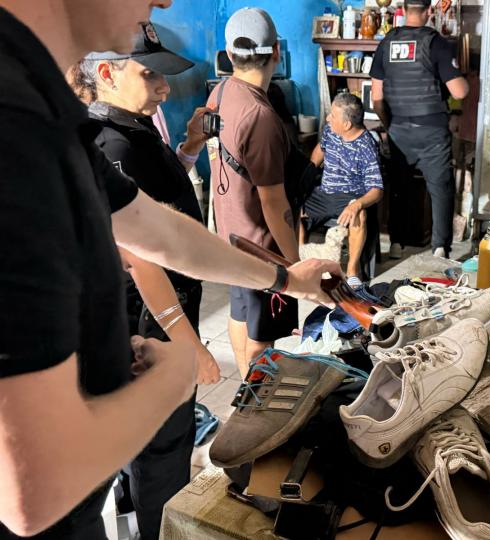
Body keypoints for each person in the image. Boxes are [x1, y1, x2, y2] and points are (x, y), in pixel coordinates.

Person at [0, 1, 339, 538]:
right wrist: (177, 371)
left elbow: (158, 232)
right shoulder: (15, 124)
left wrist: (286, 278)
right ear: (107, 73)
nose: (161, 2)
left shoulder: (49, 112)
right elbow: (32, 490)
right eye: (149, 73)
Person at [72, 24, 221, 539]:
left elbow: (158, 203)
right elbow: (141, 259)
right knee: (163, 453)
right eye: (149, 75)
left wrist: (189, 148)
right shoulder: (111, 142)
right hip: (150, 322)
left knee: (146, 449)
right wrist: (190, 345)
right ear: (107, 74)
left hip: (162, 311)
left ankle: (138, 520)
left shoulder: (133, 127)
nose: (164, 89)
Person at [207, 7, 300, 377]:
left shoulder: (220, 92)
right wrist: (294, 264)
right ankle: (256, 398)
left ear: (229, 55)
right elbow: (273, 203)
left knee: (240, 314)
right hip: (261, 248)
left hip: (230, 236)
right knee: (261, 336)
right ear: (276, 51)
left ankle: (245, 389)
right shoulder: (261, 117)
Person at [371, 0, 469, 259]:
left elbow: (376, 99)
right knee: (440, 189)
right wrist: (466, 80)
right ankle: (439, 248)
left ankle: (396, 243)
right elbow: (459, 91)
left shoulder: (387, 42)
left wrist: (390, 125)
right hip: (432, 131)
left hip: (398, 129)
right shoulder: (436, 43)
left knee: (399, 188)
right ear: (429, 11)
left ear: (404, 10)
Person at [303, 93, 384, 286]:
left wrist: (356, 204)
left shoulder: (366, 146)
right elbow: (320, 150)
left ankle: (352, 271)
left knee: (359, 215)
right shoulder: (331, 131)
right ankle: (299, 263)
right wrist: (308, 173)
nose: (328, 118)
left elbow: (377, 190)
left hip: (349, 197)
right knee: (292, 207)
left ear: (347, 124)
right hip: (323, 193)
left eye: (333, 115)